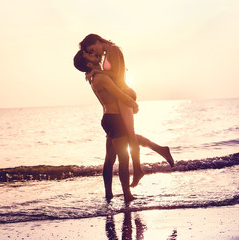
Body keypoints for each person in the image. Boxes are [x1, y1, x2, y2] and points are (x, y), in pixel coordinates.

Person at [78, 34, 174, 186]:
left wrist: (99, 72)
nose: (93, 53)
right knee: (128, 137)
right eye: (89, 52)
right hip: (120, 95)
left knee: (130, 135)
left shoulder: (113, 50)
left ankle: (137, 170)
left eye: (91, 49)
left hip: (124, 93)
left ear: (96, 41)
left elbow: (116, 75)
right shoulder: (107, 53)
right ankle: (159, 151)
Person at [74, 50, 138, 202]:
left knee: (109, 159)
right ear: (88, 63)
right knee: (124, 158)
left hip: (107, 118)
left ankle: (108, 194)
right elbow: (120, 95)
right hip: (115, 119)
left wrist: (97, 69)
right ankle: (127, 194)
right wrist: (134, 105)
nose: (94, 54)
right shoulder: (101, 77)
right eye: (90, 55)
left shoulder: (94, 77)